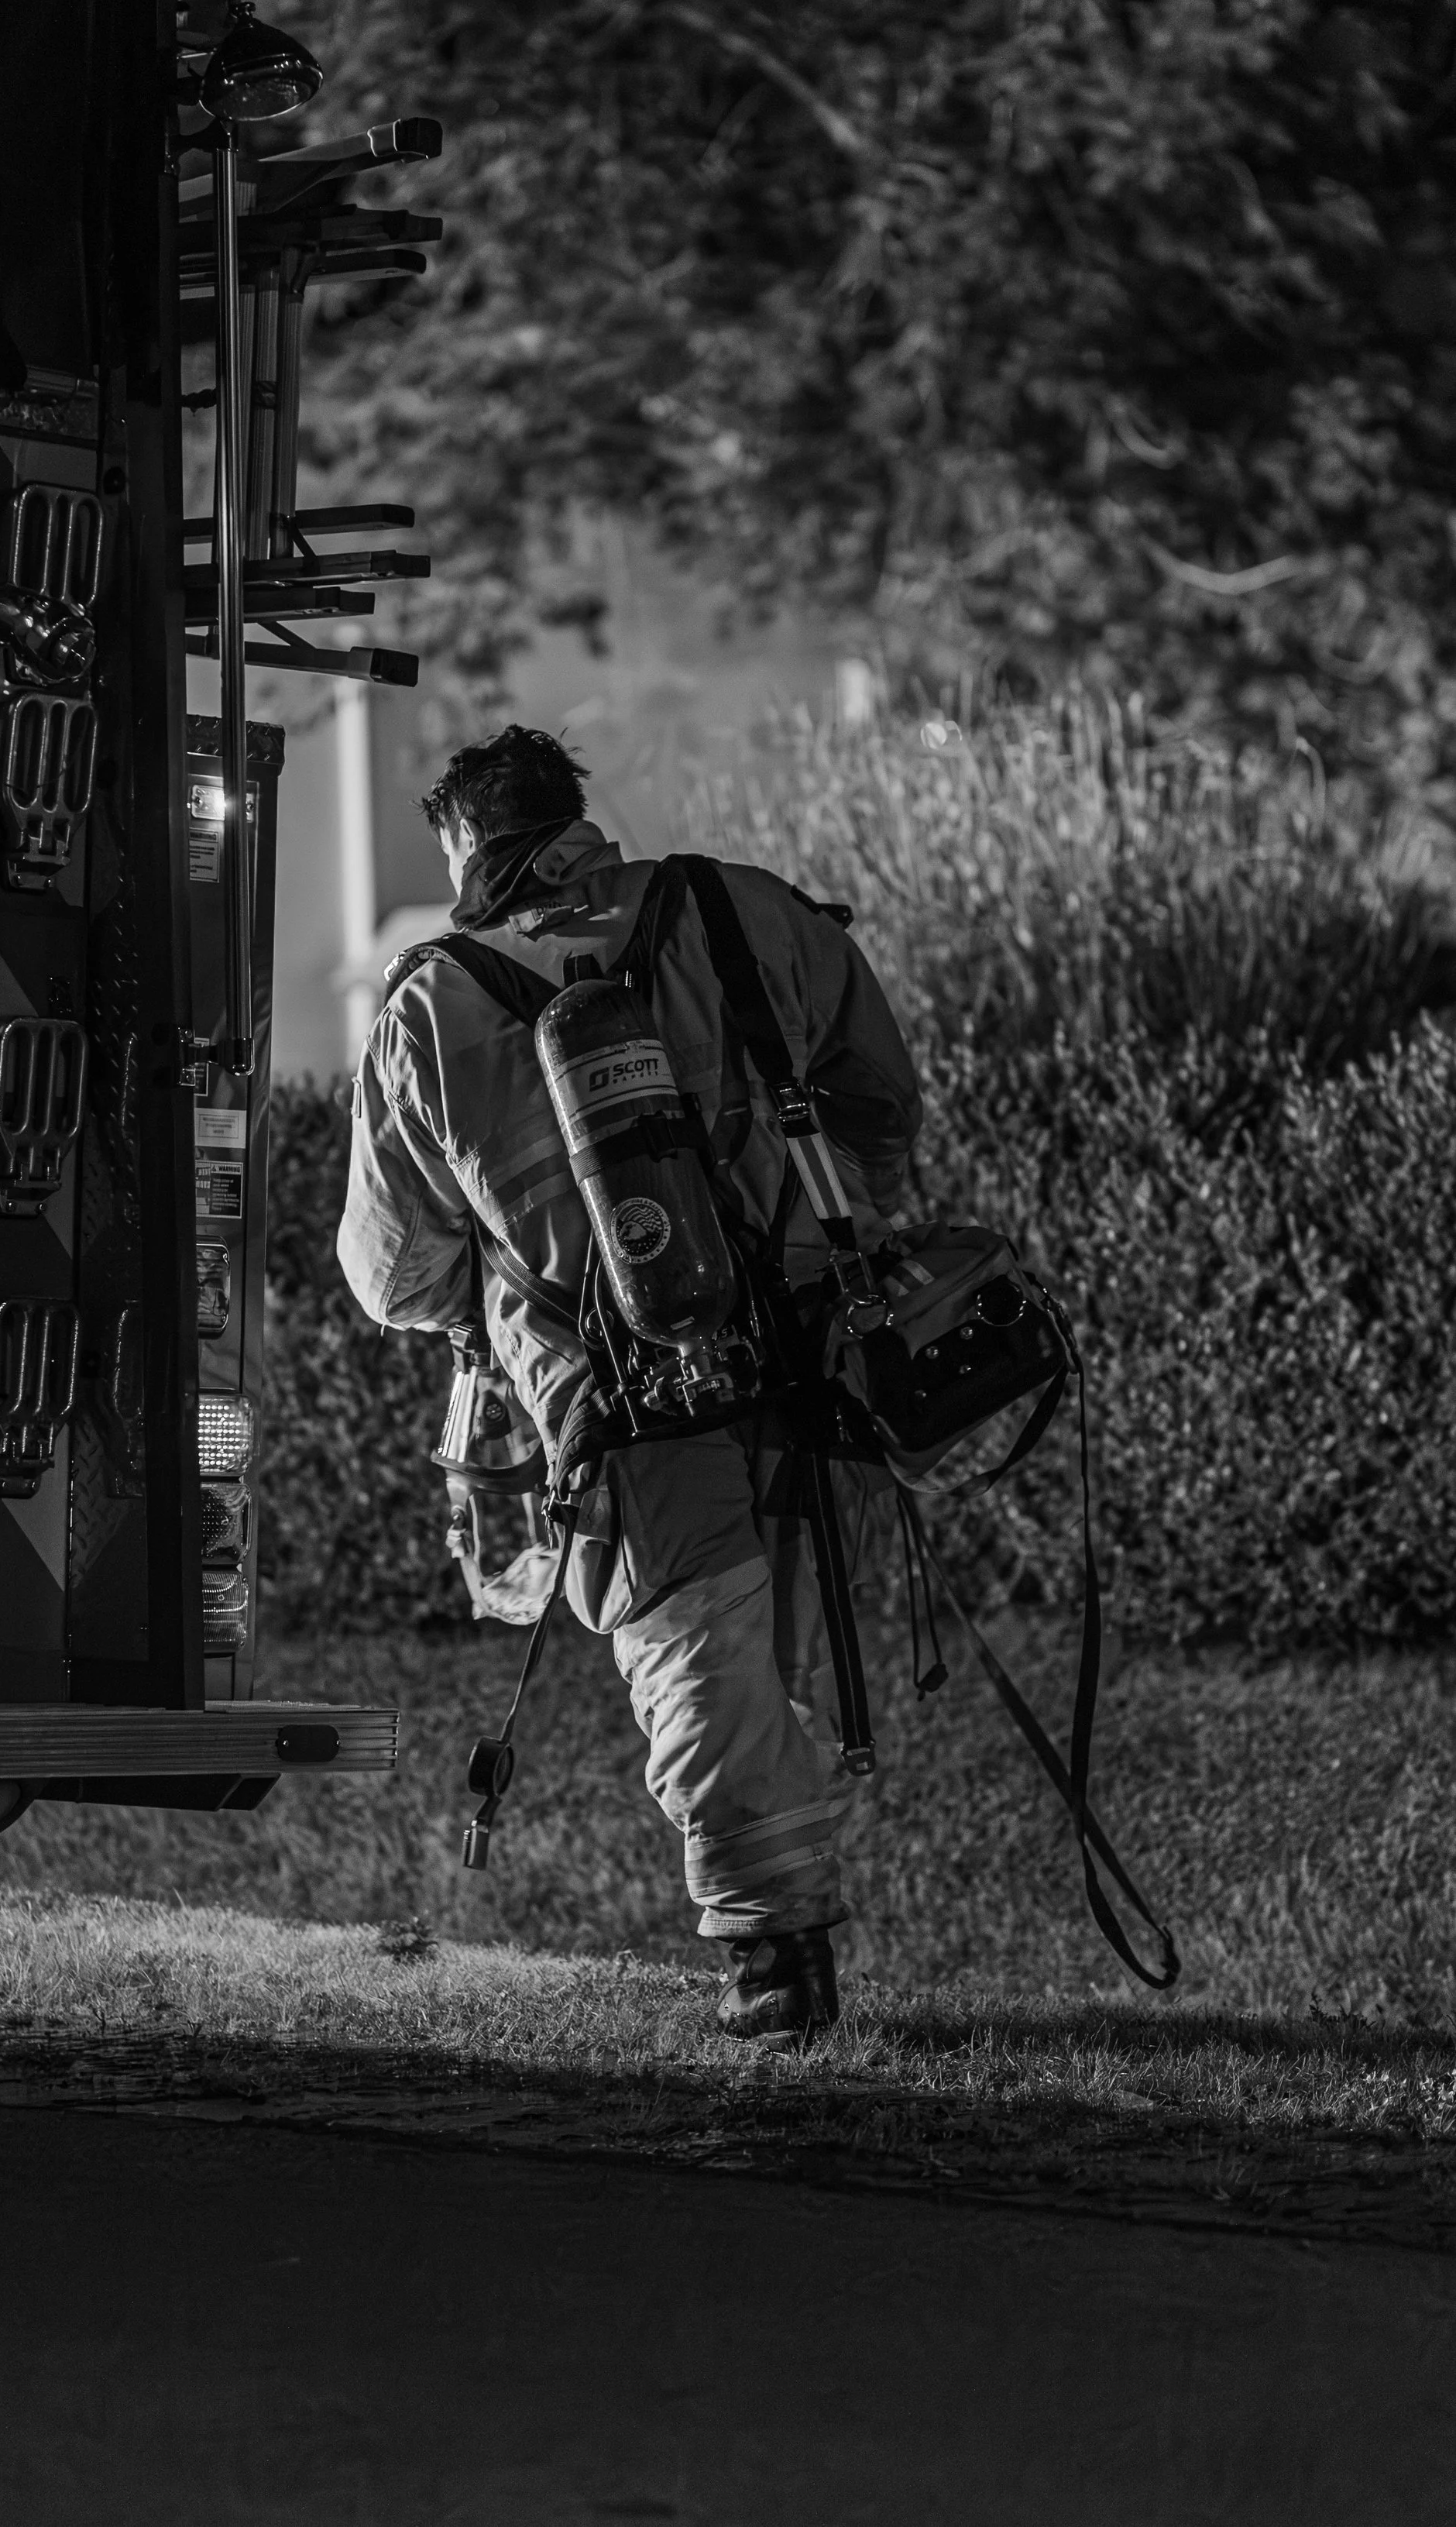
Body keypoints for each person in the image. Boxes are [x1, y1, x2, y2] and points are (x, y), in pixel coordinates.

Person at [335, 725, 924, 2039]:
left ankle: (776, 1967)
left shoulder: (430, 1005)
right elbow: (877, 1093)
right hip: (807, 1372)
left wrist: (502, 1302)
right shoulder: (739, 908)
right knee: (780, 1656)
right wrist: (843, 1228)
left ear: (468, 847)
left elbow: (391, 1275)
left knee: (698, 1658)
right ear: (574, 817)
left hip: (618, 1411)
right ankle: (792, 1921)